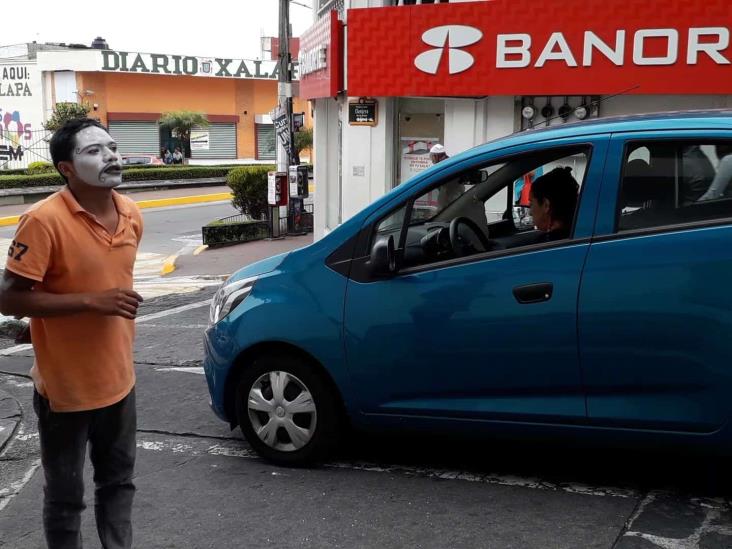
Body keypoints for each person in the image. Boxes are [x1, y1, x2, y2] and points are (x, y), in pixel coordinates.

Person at [0, 118, 144, 549]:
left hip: (121, 381)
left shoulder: (132, 214)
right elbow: (8, 298)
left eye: (112, 147)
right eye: (94, 151)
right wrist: (91, 302)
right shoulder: (42, 221)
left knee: (119, 483)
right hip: (65, 391)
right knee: (66, 498)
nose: (111, 156)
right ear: (66, 167)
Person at [528, 166, 579, 241]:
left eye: (531, 204)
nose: (530, 212)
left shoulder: (541, 247)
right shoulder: (579, 235)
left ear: (546, 205)